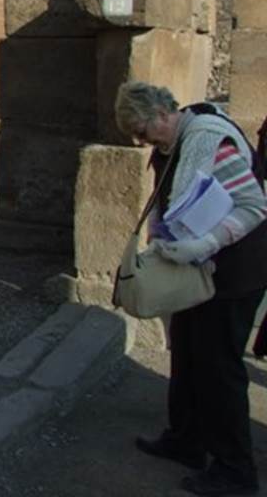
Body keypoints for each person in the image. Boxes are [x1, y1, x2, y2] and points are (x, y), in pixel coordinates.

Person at [115, 81, 267, 496]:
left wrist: (205, 243)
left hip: (233, 272)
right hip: (195, 270)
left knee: (220, 371)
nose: (142, 141)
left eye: (144, 132)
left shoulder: (209, 140)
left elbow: (254, 205)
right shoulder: (173, 144)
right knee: (188, 356)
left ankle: (235, 470)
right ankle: (187, 440)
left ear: (164, 114)